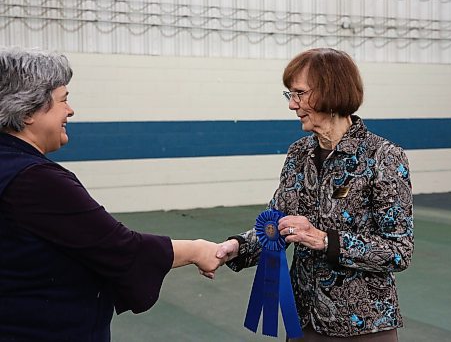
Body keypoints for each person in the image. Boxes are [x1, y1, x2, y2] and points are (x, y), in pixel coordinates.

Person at [0, 48, 224, 341]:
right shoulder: (36, 180)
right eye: (63, 99)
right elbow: (121, 249)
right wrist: (197, 250)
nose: (70, 110)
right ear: (29, 111)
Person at [216, 48, 414, 341]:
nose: (292, 105)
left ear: (330, 92)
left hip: (363, 327)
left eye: (299, 93)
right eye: (289, 95)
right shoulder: (298, 154)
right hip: (303, 321)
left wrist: (324, 240)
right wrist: (236, 247)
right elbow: (276, 224)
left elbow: (398, 251)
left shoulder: (384, 156)